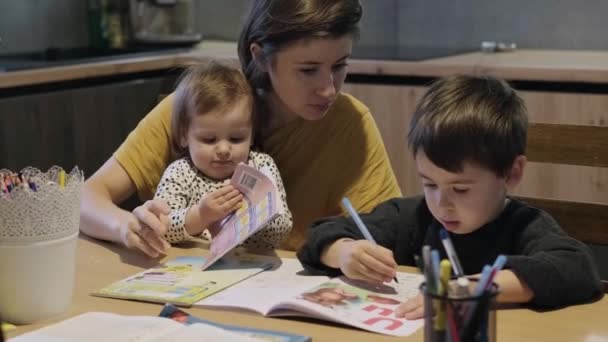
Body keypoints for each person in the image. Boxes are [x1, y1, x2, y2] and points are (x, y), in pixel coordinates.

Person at [80, 0, 401, 256]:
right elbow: (85, 199)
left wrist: (348, 251)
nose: (329, 89)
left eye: (340, 66)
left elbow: (388, 231)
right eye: (308, 70)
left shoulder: (350, 123)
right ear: (260, 57)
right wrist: (127, 227)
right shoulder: (199, 106)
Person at [297, 75, 603, 319]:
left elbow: (578, 270)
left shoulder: (524, 225)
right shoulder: (413, 216)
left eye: (460, 189)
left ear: (511, 173)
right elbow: (319, 237)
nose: (441, 204)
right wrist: (345, 252)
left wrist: (468, 289)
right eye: (429, 183)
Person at [153, 61, 291, 250]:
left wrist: (255, 213)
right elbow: (162, 226)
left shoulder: (260, 166)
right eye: (209, 139)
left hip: (252, 265)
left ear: (251, 135)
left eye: (236, 138)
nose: (224, 149)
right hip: (191, 268)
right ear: (184, 136)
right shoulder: (180, 173)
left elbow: (282, 229)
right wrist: (202, 216)